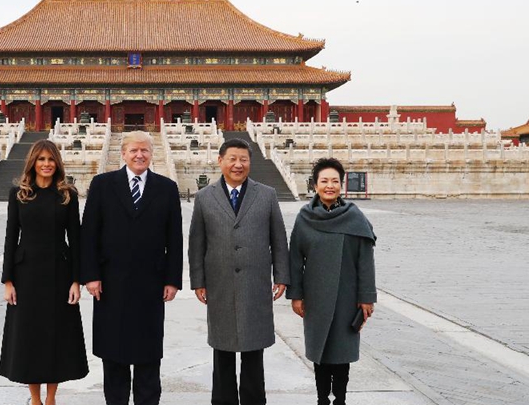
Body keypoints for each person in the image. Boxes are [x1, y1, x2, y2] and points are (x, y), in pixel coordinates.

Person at [80, 131, 183, 405]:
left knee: (148, 353)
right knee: (114, 353)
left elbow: (174, 238)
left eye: (145, 151)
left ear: (152, 153)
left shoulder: (166, 187)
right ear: (122, 154)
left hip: (151, 283)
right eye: (134, 150)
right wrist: (91, 276)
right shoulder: (103, 185)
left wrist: (172, 279)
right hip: (110, 283)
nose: (140, 155)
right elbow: (89, 233)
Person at [188, 138, 289, 405]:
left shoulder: (266, 194)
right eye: (232, 158)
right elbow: (196, 243)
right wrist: (198, 280)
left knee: (254, 349)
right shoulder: (204, 197)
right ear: (220, 161)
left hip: (255, 283)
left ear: (250, 163)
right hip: (219, 282)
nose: (238, 164)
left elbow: (279, 239)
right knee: (222, 349)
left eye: (243, 159)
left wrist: (281, 276)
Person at [0, 139, 89, 405]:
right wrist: (8, 280)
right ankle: (35, 399)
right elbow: (10, 238)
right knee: (29, 336)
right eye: (41, 159)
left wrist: (76, 280)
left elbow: (76, 239)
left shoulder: (67, 194)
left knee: (55, 336)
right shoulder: (19, 193)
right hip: (26, 275)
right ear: (33, 163)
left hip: (59, 274)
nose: (46, 164)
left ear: (57, 163)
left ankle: (51, 398)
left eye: (51, 159)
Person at [287, 157, 377, 405]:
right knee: (321, 352)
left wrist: (366, 297)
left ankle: (340, 399)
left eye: (335, 181)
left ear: (341, 185)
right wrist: (296, 295)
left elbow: (365, 260)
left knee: (342, 353)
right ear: (315, 185)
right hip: (315, 296)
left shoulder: (355, 217)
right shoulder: (305, 217)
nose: (330, 186)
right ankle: (321, 399)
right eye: (324, 181)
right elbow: (295, 258)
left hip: (347, 296)